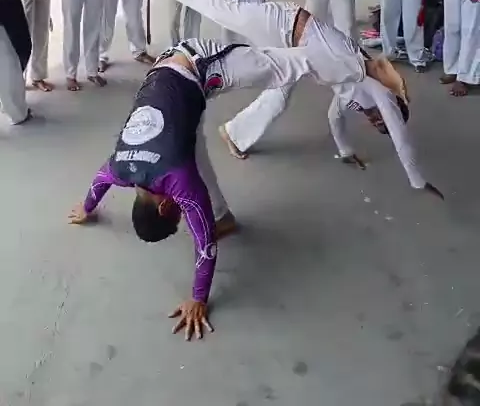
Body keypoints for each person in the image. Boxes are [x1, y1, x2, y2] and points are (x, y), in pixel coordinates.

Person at [69, 34, 329, 339]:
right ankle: (225, 218)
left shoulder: (178, 180)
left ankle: (348, 60)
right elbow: (99, 181)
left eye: (177, 214)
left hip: (200, 61)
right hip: (165, 74)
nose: (183, 212)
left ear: (165, 206)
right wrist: (86, 207)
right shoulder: (121, 168)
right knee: (195, 152)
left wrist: (198, 299)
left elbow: (205, 244)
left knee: (282, 67)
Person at [150, 0, 442, 198]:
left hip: (295, 53)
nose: (378, 122)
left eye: (378, 127)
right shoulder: (376, 89)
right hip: (283, 23)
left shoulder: (354, 96)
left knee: (278, 96)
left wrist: (346, 152)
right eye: (383, 120)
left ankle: (234, 133)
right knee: (224, 10)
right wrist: (418, 180)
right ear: (393, 105)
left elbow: (335, 117)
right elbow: (401, 136)